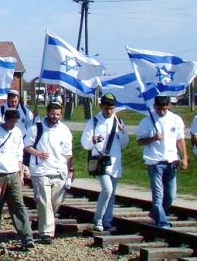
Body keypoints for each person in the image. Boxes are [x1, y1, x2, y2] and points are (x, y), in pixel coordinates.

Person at [24, 99, 73, 244]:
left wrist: (70, 170)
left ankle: (45, 223)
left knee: (55, 202)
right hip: (41, 170)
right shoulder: (36, 128)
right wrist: (38, 153)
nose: (55, 117)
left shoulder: (64, 130)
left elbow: (68, 153)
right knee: (44, 202)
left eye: (58, 114)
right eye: (53, 114)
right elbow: (27, 146)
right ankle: (46, 233)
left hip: (59, 170)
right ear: (48, 113)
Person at [136, 95, 189, 228]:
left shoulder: (175, 119)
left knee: (171, 195)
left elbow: (180, 139)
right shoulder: (147, 121)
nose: (162, 112)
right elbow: (139, 141)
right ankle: (162, 222)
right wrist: (153, 138)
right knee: (158, 194)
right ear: (155, 107)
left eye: (164, 109)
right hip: (154, 162)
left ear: (168, 106)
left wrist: (184, 157)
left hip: (171, 161)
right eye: (159, 109)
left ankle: (156, 213)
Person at [0, 108, 34, 250]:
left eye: (15, 122)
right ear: (5, 119)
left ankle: (26, 237)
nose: (13, 124)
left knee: (18, 206)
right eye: (11, 121)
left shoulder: (17, 132)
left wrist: (20, 173)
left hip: (13, 173)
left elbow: (19, 154)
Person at [80, 93, 129, 232]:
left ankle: (107, 221)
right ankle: (98, 220)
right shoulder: (94, 121)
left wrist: (123, 131)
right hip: (101, 162)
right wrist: (93, 141)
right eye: (106, 108)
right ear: (101, 106)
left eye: (111, 108)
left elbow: (124, 144)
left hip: (115, 162)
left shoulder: (118, 121)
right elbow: (85, 143)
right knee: (107, 190)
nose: (109, 111)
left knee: (112, 193)